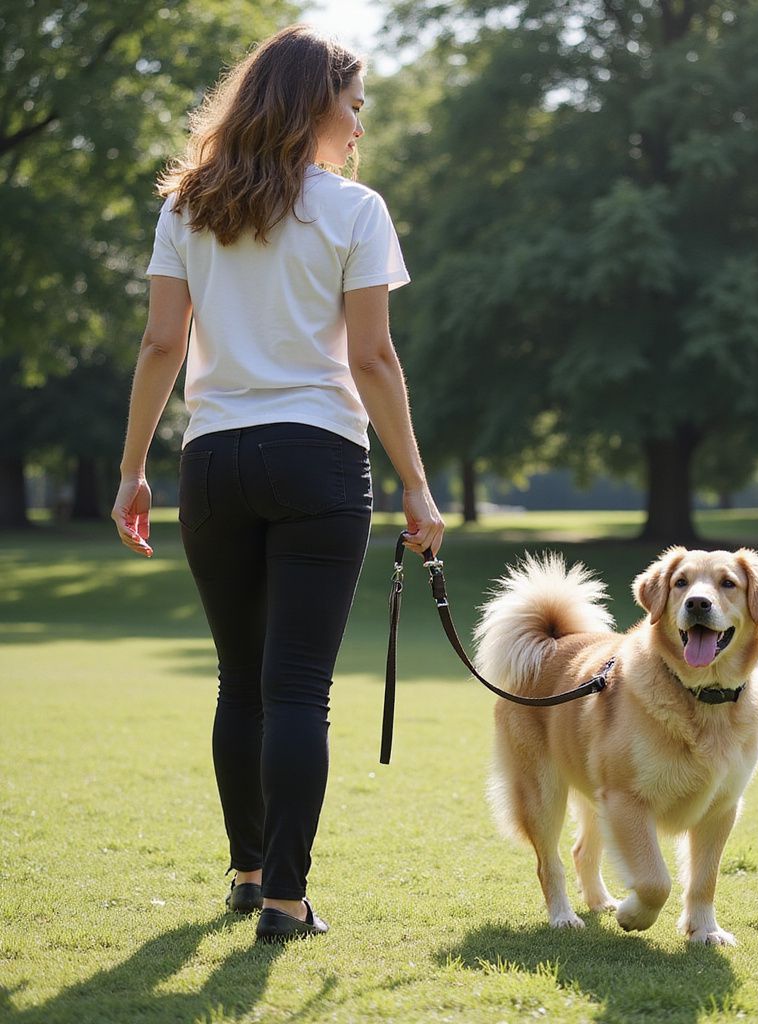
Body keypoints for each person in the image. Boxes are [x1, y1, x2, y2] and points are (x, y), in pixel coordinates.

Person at [111, 24, 444, 943]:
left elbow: (161, 346)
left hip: (213, 461)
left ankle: (249, 875)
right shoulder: (354, 211)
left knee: (240, 683)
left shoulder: (187, 206)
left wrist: (135, 468)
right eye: (353, 104)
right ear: (312, 106)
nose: (360, 123)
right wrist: (417, 484)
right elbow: (373, 357)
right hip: (317, 457)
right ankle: (288, 902)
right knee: (297, 687)